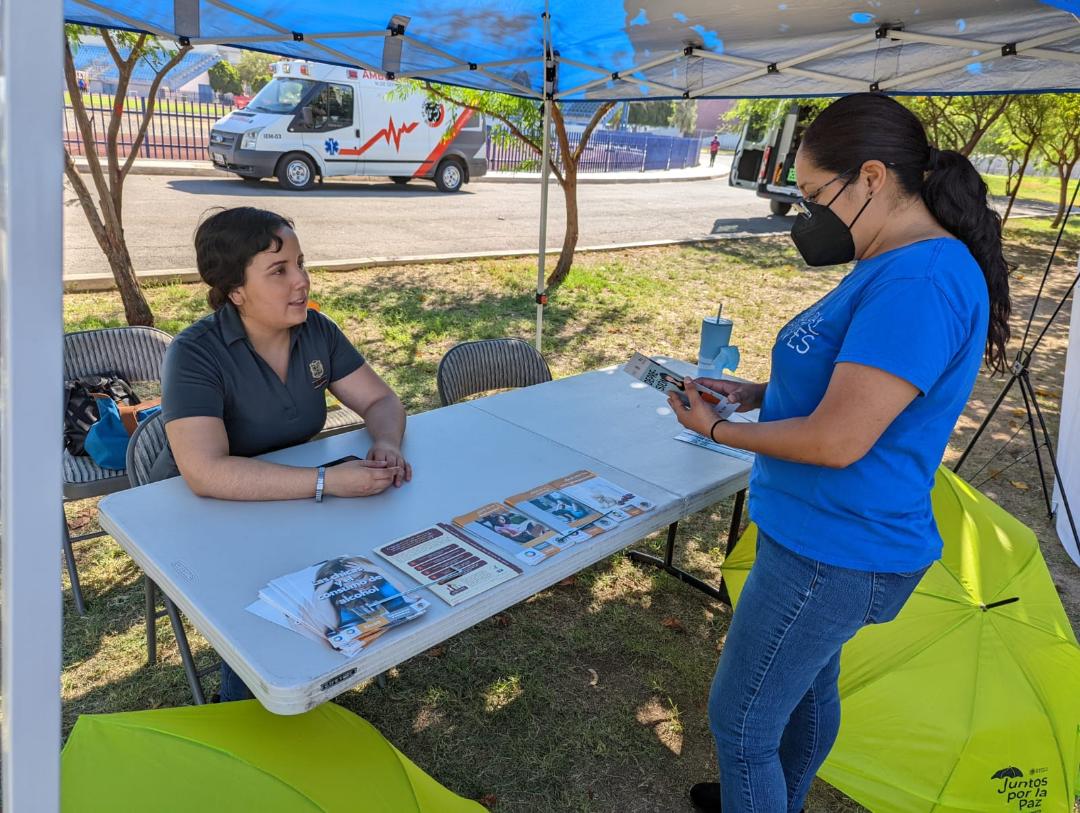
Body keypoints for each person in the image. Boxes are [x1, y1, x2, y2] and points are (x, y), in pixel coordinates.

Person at [669, 93, 1010, 812]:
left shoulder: (921, 279)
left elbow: (840, 437)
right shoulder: (892, 257)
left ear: (873, 179)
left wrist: (716, 431)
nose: (806, 213)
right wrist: (757, 391)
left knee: (742, 721)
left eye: (816, 194)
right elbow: (854, 385)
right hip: (828, 538)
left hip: (833, 549)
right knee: (805, 690)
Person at [160, 206, 413, 702]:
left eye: (301, 263)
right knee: (253, 614)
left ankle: (325, 673)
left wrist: (385, 442)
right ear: (235, 290)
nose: (301, 281)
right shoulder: (196, 353)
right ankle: (249, 709)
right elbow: (205, 472)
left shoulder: (316, 330)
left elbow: (380, 400)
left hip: (294, 505)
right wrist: (325, 482)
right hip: (209, 516)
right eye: (279, 271)